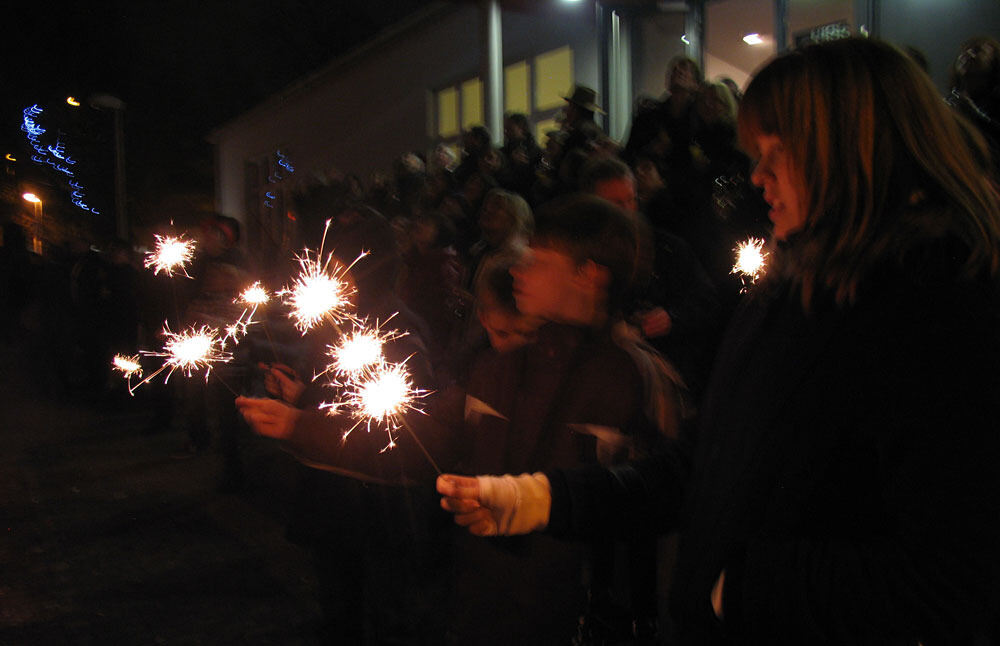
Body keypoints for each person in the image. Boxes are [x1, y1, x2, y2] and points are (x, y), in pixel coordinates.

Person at [438, 37, 1000, 644]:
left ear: (847, 151)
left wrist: (740, 587)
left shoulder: (942, 316)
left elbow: (952, 578)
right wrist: (542, 498)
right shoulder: (783, 301)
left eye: (775, 154)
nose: (756, 176)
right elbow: (702, 468)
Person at [238, 194, 687, 644]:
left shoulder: (636, 380)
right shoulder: (498, 368)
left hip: (577, 622)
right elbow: (418, 438)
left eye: (538, 259)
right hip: (487, 609)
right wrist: (299, 426)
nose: (517, 269)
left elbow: (661, 512)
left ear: (588, 275)